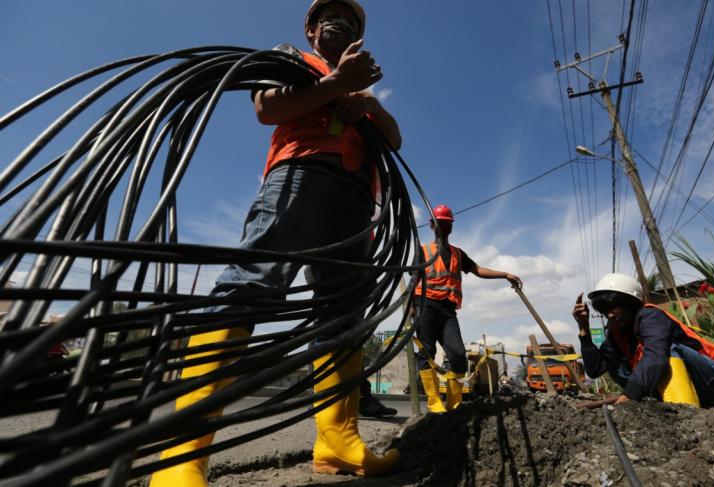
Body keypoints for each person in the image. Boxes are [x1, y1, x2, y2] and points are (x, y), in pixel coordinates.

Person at [149, 1, 401, 485]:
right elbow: (267, 107)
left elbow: (394, 142)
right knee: (251, 284)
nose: (340, 22)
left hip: (355, 201)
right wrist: (333, 85)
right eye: (329, 15)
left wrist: (368, 103)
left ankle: (337, 441)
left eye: (351, 21)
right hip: (300, 178)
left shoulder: (362, 91)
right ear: (310, 28)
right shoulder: (289, 58)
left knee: (345, 315)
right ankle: (181, 459)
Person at [572, 273, 714, 408]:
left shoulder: (650, 315)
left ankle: (684, 411)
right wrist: (584, 328)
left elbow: (656, 355)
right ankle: (665, 403)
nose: (609, 314)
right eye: (604, 309)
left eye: (614, 306)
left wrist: (629, 395)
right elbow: (595, 369)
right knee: (616, 367)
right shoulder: (616, 332)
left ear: (630, 302)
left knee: (667, 351)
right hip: (701, 387)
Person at [414, 204, 522, 413]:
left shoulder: (458, 253)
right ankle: (434, 401)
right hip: (425, 305)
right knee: (426, 352)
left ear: (451, 227)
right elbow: (413, 279)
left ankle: (454, 402)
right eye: (440, 224)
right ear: (431, 226)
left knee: (458, 355)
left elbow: (478, 270)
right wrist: (411, 308)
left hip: (447, 310)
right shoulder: (423, 250)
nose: (443, 227)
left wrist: (505, 274)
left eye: (447, 224)